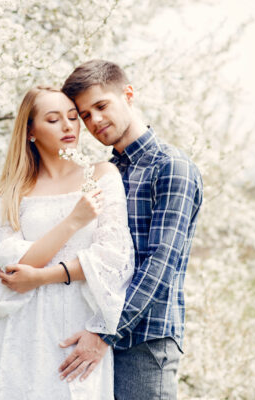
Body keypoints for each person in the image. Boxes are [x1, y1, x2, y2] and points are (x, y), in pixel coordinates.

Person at [0, 86, 135, 400]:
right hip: (20, 329)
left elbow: (113, 258)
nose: (69, 126)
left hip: (78, 325)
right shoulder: (14, 190)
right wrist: (73, 221)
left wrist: (43, 276)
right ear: (31, 130)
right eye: (54, 119)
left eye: (73, 117)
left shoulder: (102, 174)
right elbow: (15, 271)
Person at [54, 60, 203, 399]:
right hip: (96, 331)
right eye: (85, 114)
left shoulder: (171, 167)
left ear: (128, 95)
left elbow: (159, 264)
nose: (95, 121)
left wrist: (106, 332)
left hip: (145, 342)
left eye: (101, 106)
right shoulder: (104, 174)